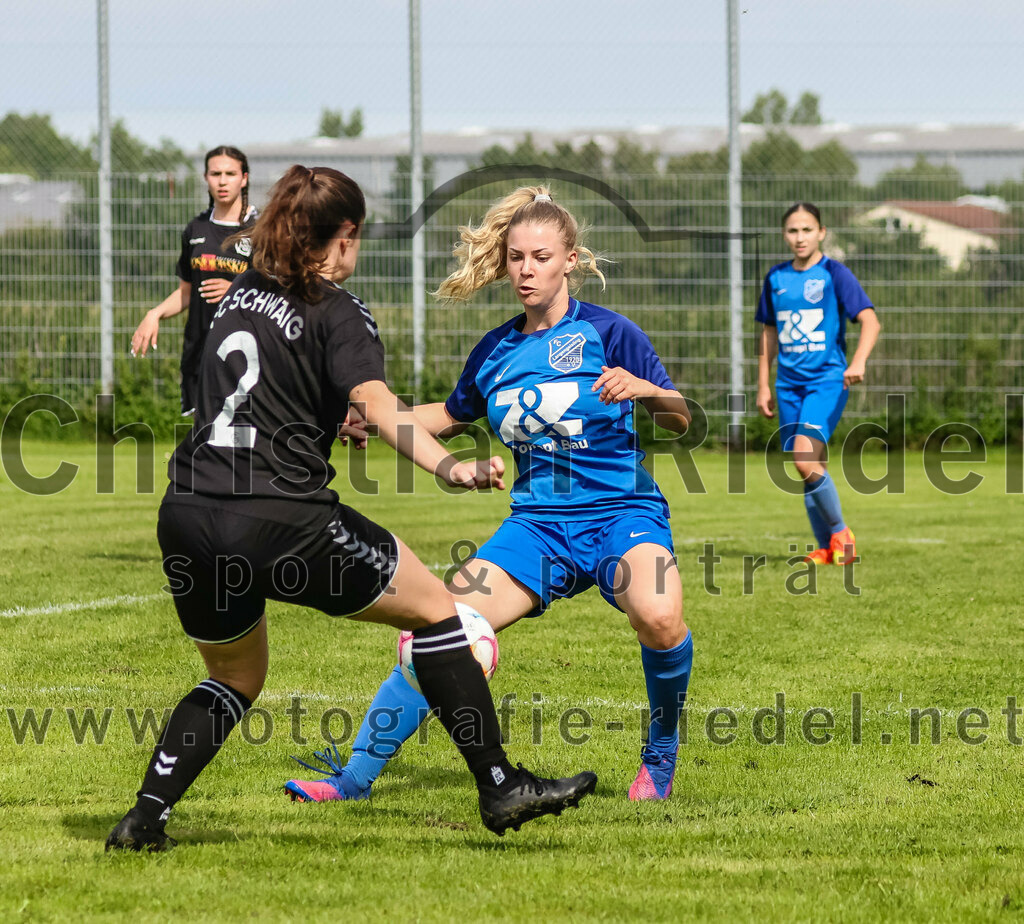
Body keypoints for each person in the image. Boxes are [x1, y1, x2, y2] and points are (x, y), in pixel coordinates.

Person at [105, 168, 596, 852]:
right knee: (439, 614)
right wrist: (447, 465)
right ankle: (500, 785)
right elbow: (380, 407)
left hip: (186, 511)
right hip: (281, 518)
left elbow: (267, 389)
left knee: (234, 678)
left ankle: (143, 819)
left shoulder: (239, 297)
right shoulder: (338, 308)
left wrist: (326, 415)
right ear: (343, 236)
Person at [285, 186, 693, 806]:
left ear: (570, 260)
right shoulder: (496, 351)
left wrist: (646, 390)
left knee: (660, 618)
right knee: (440, 626)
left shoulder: (613, 333)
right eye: (516, 257)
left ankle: (659, 759)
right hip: (538, 528)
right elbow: (446, 416)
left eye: (541, 257)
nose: (526, 270)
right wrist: (369, 419)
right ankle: (352, 781)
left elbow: (681, 420)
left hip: (623, 513)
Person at [755, 202, 881, 564]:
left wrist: (858, 361)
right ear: (785, 235)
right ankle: (827, 548)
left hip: (826, 381)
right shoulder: (776, 278)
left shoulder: (834, 274)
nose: (800, 237)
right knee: (812, 466)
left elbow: (870, 321)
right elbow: (767, 333)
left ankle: (842, 534)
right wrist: (763, 384)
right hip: (788, 385)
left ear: (822, 232)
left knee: (803, 459)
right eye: (793, 231)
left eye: (807, 230)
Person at [130, 145, 258, 415]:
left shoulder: (261, 230)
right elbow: (187, 293)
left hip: (246, 357)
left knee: (242, 444)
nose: (222, 181)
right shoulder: (195, 229)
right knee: (205, 441)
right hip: (201, 352)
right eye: (215, 173)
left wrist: (237, 291)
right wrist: (155, 313)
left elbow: (277, 294)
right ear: (206, 178)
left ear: (244, 178)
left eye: (230, 173)